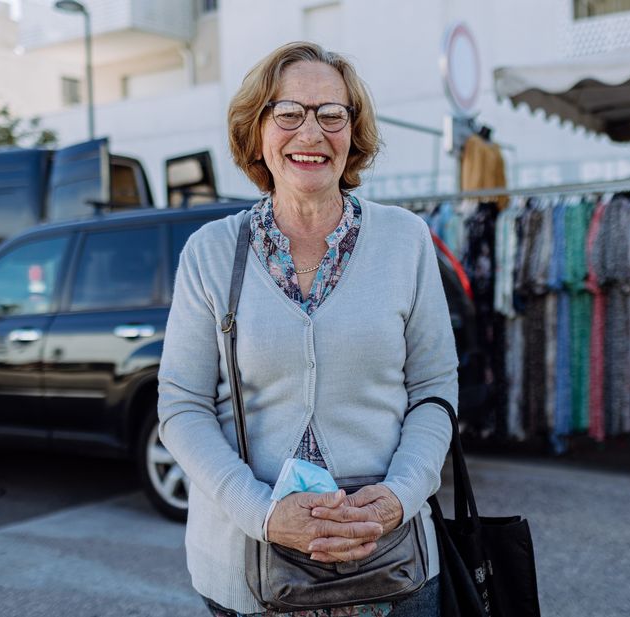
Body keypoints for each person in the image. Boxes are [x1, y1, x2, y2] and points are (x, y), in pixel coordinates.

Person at [157, 41, 458, 617]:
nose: (311, 132)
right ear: (257, 130)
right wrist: (262, 513)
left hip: (393, 566)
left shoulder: (406, 240)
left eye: (331, 114)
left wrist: (398, 497)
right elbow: (183, 404)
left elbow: (434, 389)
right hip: (245, 570)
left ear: (354, 129)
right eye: (288, 113)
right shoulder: (211, 253)